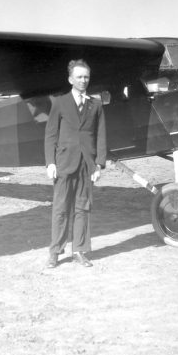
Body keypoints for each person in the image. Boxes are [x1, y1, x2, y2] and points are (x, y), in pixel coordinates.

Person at [44, 59, 107, 268]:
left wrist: (99, 164)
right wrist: (50, 163)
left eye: (86, 77)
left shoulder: (95, 104)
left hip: (86, 165)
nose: (83, 80)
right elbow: (51, 135)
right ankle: (55, 251)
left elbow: (100, 136)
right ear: (70, 79)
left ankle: (79, 251)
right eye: (79, 77)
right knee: (60, 208)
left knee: (83, 208)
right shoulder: (59, 103)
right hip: (64, 163)